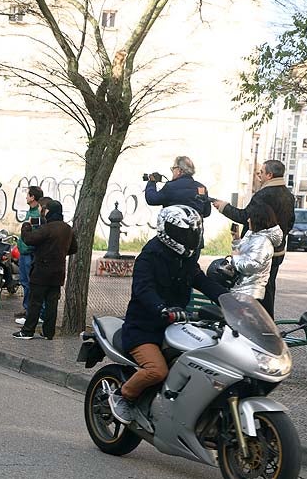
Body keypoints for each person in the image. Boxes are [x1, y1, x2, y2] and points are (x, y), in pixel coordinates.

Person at [107, 205, 228, 424]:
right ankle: (123, 396)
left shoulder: (186, 258)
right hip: (144, 328)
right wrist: (162, 308)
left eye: (192, 232)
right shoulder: (149, 256)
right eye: (184, 232)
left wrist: (229, 299)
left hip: (178, 326)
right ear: (167, 230)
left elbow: (202, 281)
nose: (189, 237)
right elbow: (143, 290)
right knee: (157, 371)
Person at [212, 159, 294, 317]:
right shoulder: (288, 195)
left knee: (254, 292)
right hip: (278, 252)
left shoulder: (263, 195)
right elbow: (290, 223)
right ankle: (267, 325)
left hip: (258, 250)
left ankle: (258, 329)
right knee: (268, 289)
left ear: (269, 175)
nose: (259, 176)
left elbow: (245, 217)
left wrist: (224, 207)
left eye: (261, 172)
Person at [12, 201, 78, 340]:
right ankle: (49, 332)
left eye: (45, 210)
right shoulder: (67, 229)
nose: (43, 212)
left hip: (42, 271)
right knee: (51, 303)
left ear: (50, 211)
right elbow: (74, 248)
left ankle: (27, 331)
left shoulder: (48, 228)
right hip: (58, 272)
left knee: (35, 302)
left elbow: (28, 239)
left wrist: (26, 225)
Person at [229, 204, 283, 306]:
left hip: (250, 292)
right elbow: (242, 252)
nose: (248, 220)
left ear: (258, 219)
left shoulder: (262, 242)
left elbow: (250, 266)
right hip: (242, 287)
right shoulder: (253, 234)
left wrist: (235, 258)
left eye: (251, 217)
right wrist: (236, 240)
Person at [144, 156, 211, 218]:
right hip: (195, 229)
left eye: (173, 169)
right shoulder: (202, 188)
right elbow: (207, 212)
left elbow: (151, 199)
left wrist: (152, 182)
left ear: (179, 170)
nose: (172, 171)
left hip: (173, 229)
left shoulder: (170, 187)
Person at [16, 185, 44, 318]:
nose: (26, 197)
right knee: (24, 281)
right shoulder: (30, 211)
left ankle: (32, 311)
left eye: (28, 195)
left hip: (29, 252)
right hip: (23, 251)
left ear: (33, 197)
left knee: (29, 282)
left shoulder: (38, 213)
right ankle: (27, 308)